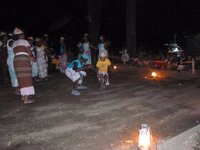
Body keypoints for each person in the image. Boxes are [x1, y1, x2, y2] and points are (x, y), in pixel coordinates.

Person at [12, 27, 35, 104]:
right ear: (20, 35)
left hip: (16, 60)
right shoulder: (24, 41)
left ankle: (23, 95)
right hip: (23, 59)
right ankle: (26, 99)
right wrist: (32, 57)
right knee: (27, 77)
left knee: (21, 77)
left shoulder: (14, 43)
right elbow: (29, 51)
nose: (24, 36)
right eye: (23, 34)